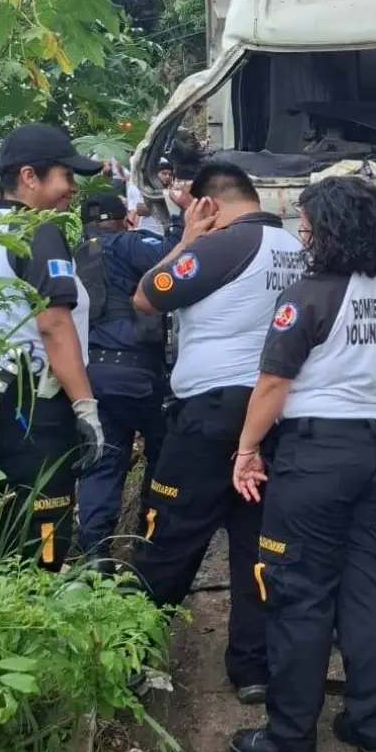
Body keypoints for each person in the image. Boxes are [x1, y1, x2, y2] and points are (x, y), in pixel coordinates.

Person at [228, 176, 376, 752]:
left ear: (325, 229)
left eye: (306, 222)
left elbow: (273, 385)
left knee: (298, 593)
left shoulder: (306, 298)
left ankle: (289, 737)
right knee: (368, 588)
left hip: (316, 461)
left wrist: (246, 451)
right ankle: (370, 727)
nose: (301, 231)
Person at [130, 161, 305, 705]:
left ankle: (127, 649)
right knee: (257, 543)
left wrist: (186, 238)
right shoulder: (295, 252)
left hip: (210, 413)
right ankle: (252, 669)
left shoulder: (219, 246)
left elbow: (145, 296)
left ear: (208, 204)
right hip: (270, 410)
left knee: (169, 533)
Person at [0, 123, 107, 570]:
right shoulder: (36, 231)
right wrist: (85, 408)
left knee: (3, 524)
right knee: (43, 533)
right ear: (30, 177)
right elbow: (53, 324)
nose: (72, 188)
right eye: (66, 176)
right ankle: (38, 610)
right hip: (35, 404)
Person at [72, 193, 186, 564]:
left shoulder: (74, 255)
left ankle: (95, 553)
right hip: (141, 372)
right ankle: (149, 541)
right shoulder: (130, 243)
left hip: (93, 373)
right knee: (163, 455)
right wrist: (179, 216)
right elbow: (175, 257)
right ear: (124, 219)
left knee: (101, 460)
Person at [125, 157, 172, 236]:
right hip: (148, 232)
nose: (167, 177)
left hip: (167, 232)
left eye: (170, 174)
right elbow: (133, 212)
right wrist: (130, 231)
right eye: (164, 173)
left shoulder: (173, 190)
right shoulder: (140, 188)